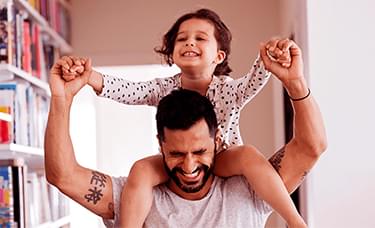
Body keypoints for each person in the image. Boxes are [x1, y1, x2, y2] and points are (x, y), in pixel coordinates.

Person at [45, 34, 327, 227]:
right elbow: (63, 175)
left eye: (200, 151)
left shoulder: (252, 186)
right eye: (177, 153)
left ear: (218, 140)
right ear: (161, 145)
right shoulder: (137, 194)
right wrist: (61, 99)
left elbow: (311, 147)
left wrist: (296, 83)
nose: (189, 165)